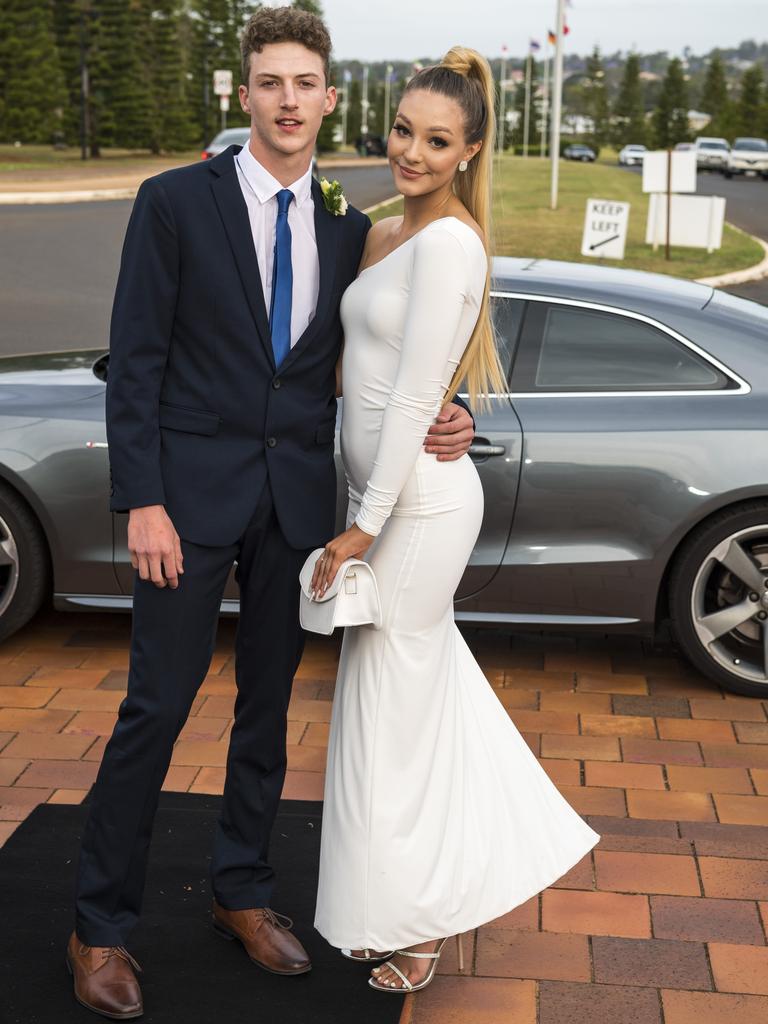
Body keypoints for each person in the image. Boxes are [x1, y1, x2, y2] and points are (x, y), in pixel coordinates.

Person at [67, 8, 475, 1020]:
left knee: (265, 714)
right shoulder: (172, 204)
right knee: (154, 709)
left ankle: (241, 892)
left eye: (307, 83)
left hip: (295, 508)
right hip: (188, 506)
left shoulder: (350, 230)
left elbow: (377, 361)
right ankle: (96, 923)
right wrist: (143, 501)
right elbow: (137, 363)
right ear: (244, 93)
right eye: (271, 82)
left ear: (329, 99)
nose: (290, 100)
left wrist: (447, 412)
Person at [311, 48, 601, 994]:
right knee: (402, 696)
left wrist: (364, 527)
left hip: (421, 509)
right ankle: (416, 886)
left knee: (391, 703)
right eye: (403, 130)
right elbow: (360, 373)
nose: (412, 151)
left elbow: (409, 404)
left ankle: (421, 922)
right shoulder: (387, 231)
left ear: (471, 149)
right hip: (383, 500)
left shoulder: (452, 243)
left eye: (437, 140)